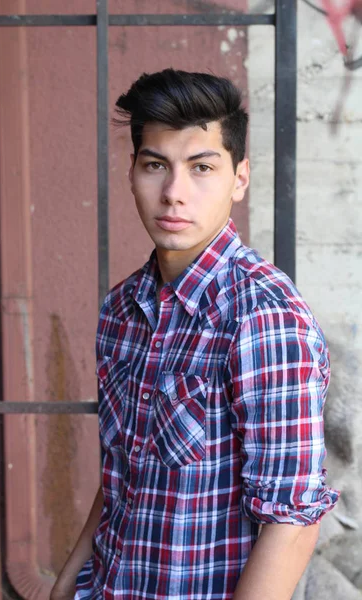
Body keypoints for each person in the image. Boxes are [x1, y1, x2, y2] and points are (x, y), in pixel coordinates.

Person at [50, 68, 339, 600]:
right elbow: (126, 467)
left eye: (201, 167)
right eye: (155, 165)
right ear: (133, 171)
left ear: (239, 178)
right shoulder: (122, 309)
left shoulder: (262, 317)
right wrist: (68, 579)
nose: (174, 193)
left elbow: (291, 521)